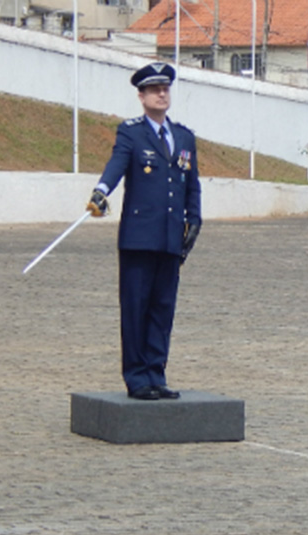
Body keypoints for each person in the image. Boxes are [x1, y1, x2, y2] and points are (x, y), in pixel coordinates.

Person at [88, 62, 202, 400]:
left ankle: (156, 373)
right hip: (139, 236)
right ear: (141, 96)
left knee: (162, 308)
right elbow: (117, 165)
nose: (162, 94)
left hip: (170, 236)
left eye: (165, 88)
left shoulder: (183, 136)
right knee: (136, 307)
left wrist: (194, 219)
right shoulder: (132, 132)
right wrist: (100, 191)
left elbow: (190, 184)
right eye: (154, 90)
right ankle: (137, 378)